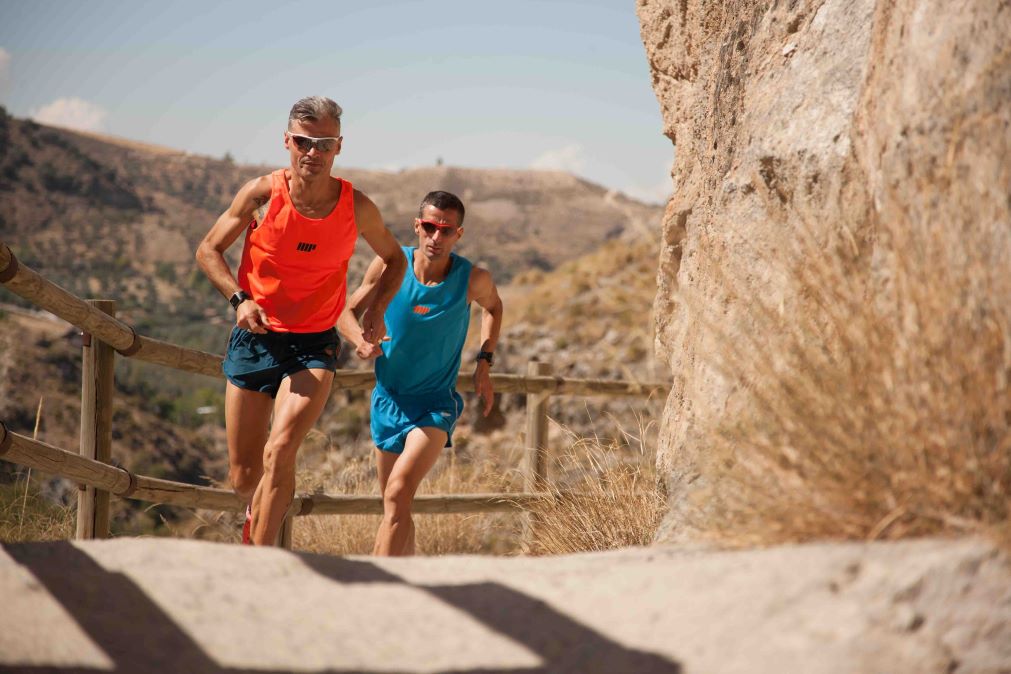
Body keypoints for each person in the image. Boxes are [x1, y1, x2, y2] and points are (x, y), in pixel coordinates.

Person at [196, 96, 405, 546]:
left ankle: (260, 558)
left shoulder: (357, 207)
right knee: (242, 475)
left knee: (282, 448)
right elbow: (207, 250)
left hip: (313, 345)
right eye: (305, 142)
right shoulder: (262, 194)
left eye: (324, 143)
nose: (313, 152)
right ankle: (259, 521)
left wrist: (375, 309)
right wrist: (239, 300)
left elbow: (394, 260)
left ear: (339, 147)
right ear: (287, 141)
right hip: (255, 339)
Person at [338, 190, 503, 556]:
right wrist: (360, 343)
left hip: (434, 405)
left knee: (397, 492)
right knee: (395, 506)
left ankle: (376, 587)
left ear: (458, 234)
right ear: (417, 226)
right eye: (429, 227)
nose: (436, 237)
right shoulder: (388, 266)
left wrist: (484, 363)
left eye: (446, 230)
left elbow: (494, 307)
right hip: (388, 399)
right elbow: (344, 311)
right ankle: (408, 581)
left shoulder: (471, 279)